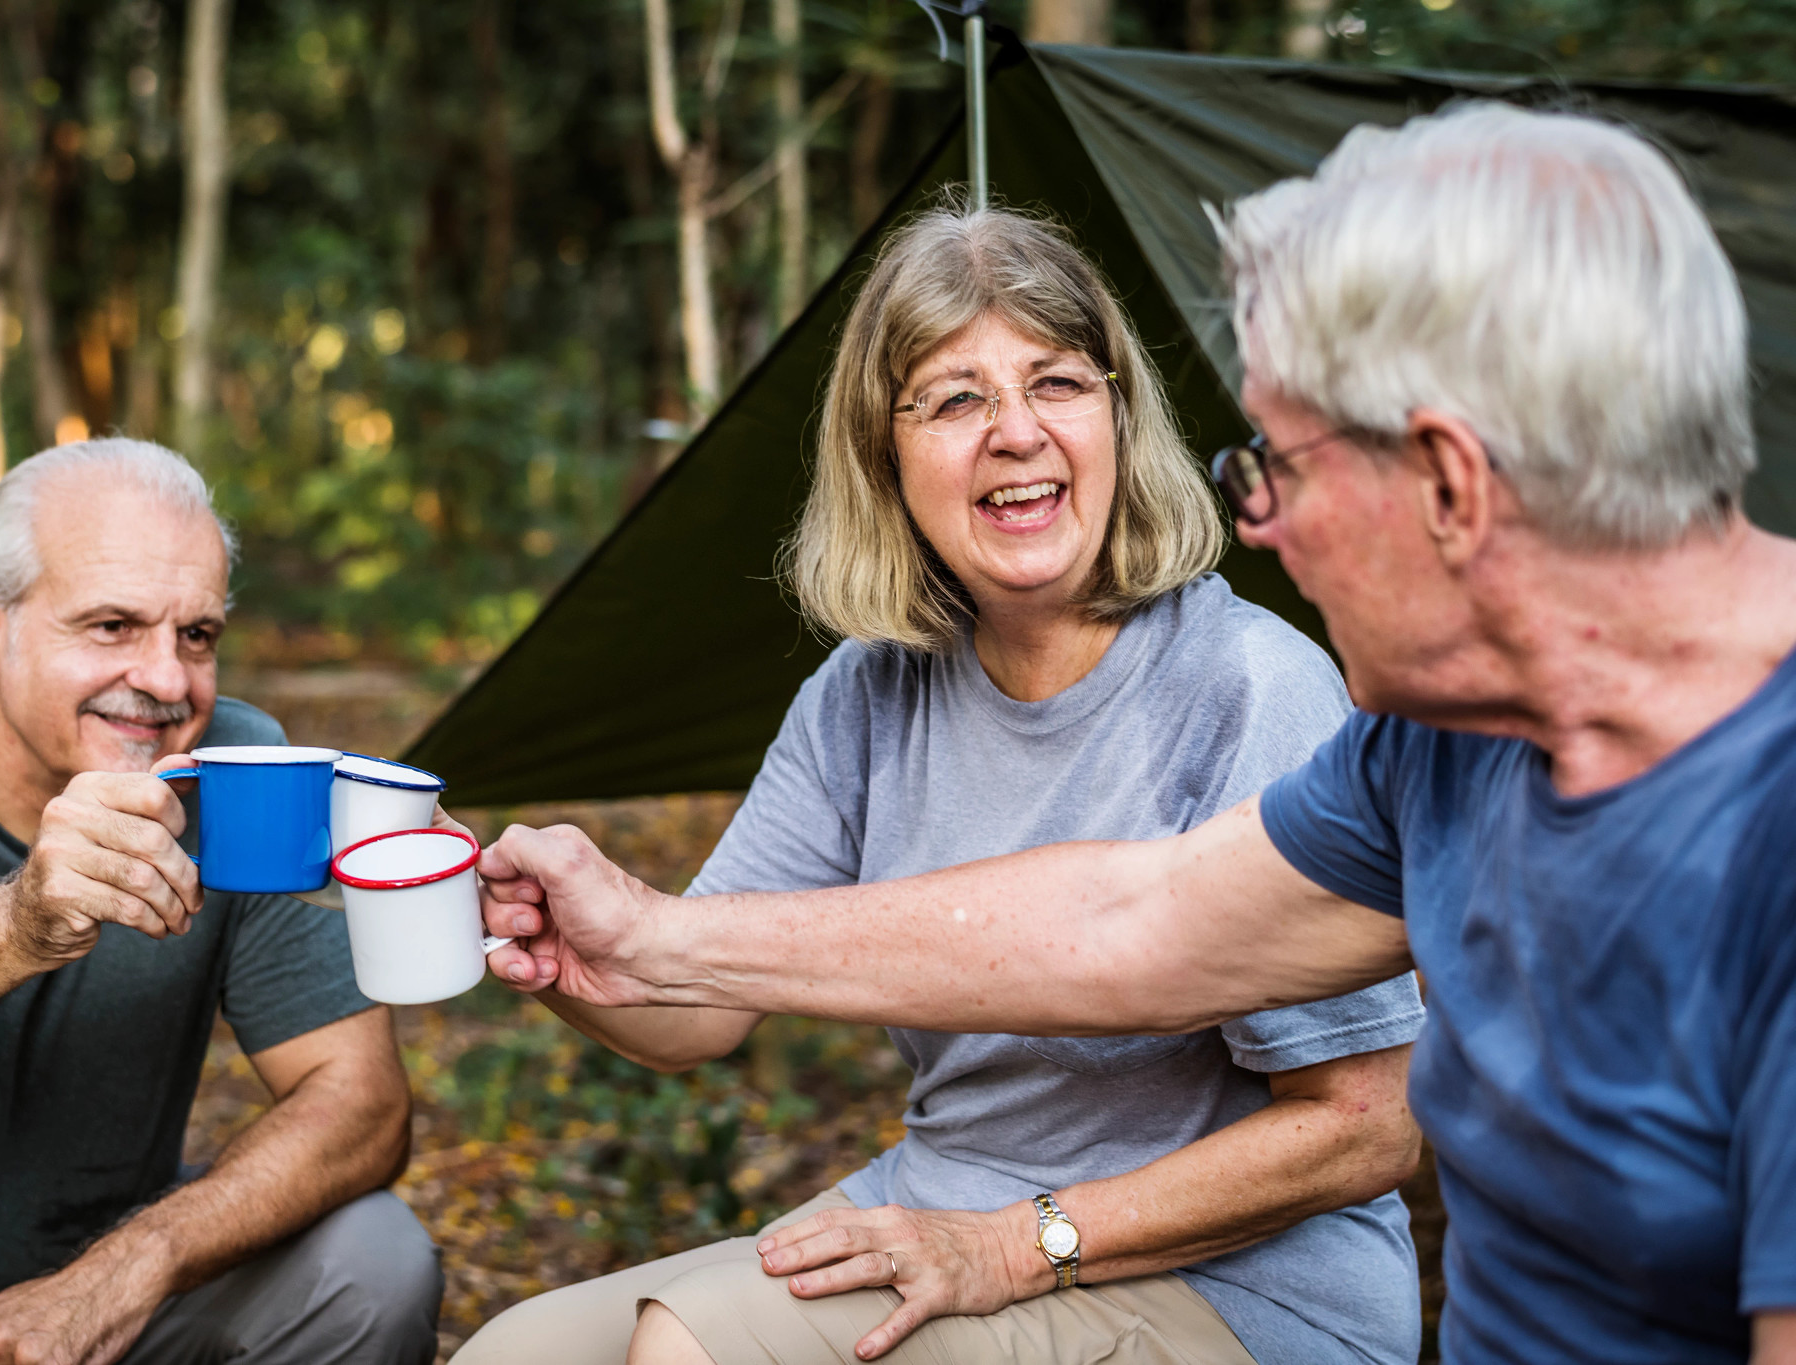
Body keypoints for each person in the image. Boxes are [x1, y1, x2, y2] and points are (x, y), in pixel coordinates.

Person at [478, 104, 1796, 1365]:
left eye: (1272, 464)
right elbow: (1129, 924)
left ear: (1448, 481)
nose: (1259, 526)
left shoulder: (1758, 831)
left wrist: (1028, 1239)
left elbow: (1354, 1115)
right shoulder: (1442, 748)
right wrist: (651, 938)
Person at [457, 206, 1425, 1365]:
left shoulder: (1251, 684)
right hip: (934, 1201)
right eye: (955, 398)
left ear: (1117, 415)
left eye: (1057, 383)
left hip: (1243, 1292)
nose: (1014, 433)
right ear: (884, 456)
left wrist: (1010, 1246)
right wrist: (539, 933)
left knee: (693, 1351)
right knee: (513, 1354)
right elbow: (694, 1005)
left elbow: (1366, 1128)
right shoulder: (865, 695)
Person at [0, 440, 442, 1365]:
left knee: (375, 1260)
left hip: (109, 1305)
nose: (167, 680)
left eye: (197, 634)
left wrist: (127, 1269)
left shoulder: (236, 773)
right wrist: (15, 922)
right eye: (113, 625)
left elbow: (361, 1102)